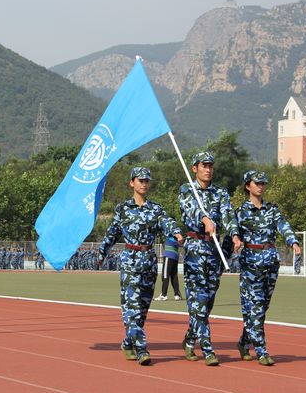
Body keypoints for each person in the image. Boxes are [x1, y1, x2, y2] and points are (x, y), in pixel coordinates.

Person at [99, 167, 183, 366]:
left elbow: (167, 222)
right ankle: (142, 349)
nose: (144, 183)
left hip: (149, 262)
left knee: (143, 309)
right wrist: (102, 253)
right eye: (140, 180)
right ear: (132, 183)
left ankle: (128, 343)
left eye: (147, 181)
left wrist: (176, 232)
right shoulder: (122, 209)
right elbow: (112, 233)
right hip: (130, 261)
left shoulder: (156, 209)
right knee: (132, 308)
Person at [179, 152, 242, 366]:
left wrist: (234, 234)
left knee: (208, 301)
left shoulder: (220, 192)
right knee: (198, 299)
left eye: (210, 166)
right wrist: (204, 218)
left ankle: (190, 339)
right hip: (195, 249)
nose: (208, 169)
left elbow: (228, 214)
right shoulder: (187, 189)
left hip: (215, 251)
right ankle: (207, 348)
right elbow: (189, 210)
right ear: (194, 168)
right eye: (204, 165)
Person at [235, 170, 301, 366]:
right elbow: (233, 233)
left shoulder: (272, 209)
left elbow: (283, 225)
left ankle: (244, 341)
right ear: (248, 186)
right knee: (255, 306)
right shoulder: (240, 211)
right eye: (257, 183)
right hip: (251, 263)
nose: (261, 186)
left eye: (263, 183)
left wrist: (293, 241)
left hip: (270, 262)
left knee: (262, 307)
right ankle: (261, 351)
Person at [154, 237, 183, 301]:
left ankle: (163, 295)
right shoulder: (175, 238)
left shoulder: (170, 233)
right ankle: (177, 295)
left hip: (169, 256)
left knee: (165, 275)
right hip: (175, 256)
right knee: (174, 276)